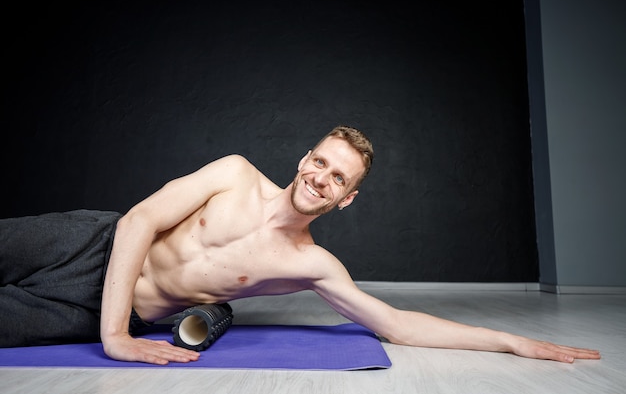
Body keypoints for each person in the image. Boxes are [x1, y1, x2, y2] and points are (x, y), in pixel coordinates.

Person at [1, 126, 600, 365]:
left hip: (105, 308)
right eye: (320, 162)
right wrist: (115, 341)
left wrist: (511, 340)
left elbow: (395, 324)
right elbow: (137, 223)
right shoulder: (233, 173)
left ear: (347, 200)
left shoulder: (311, 265)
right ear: (303, 159)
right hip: (91, 243)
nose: (321, 177)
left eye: (339, 178)